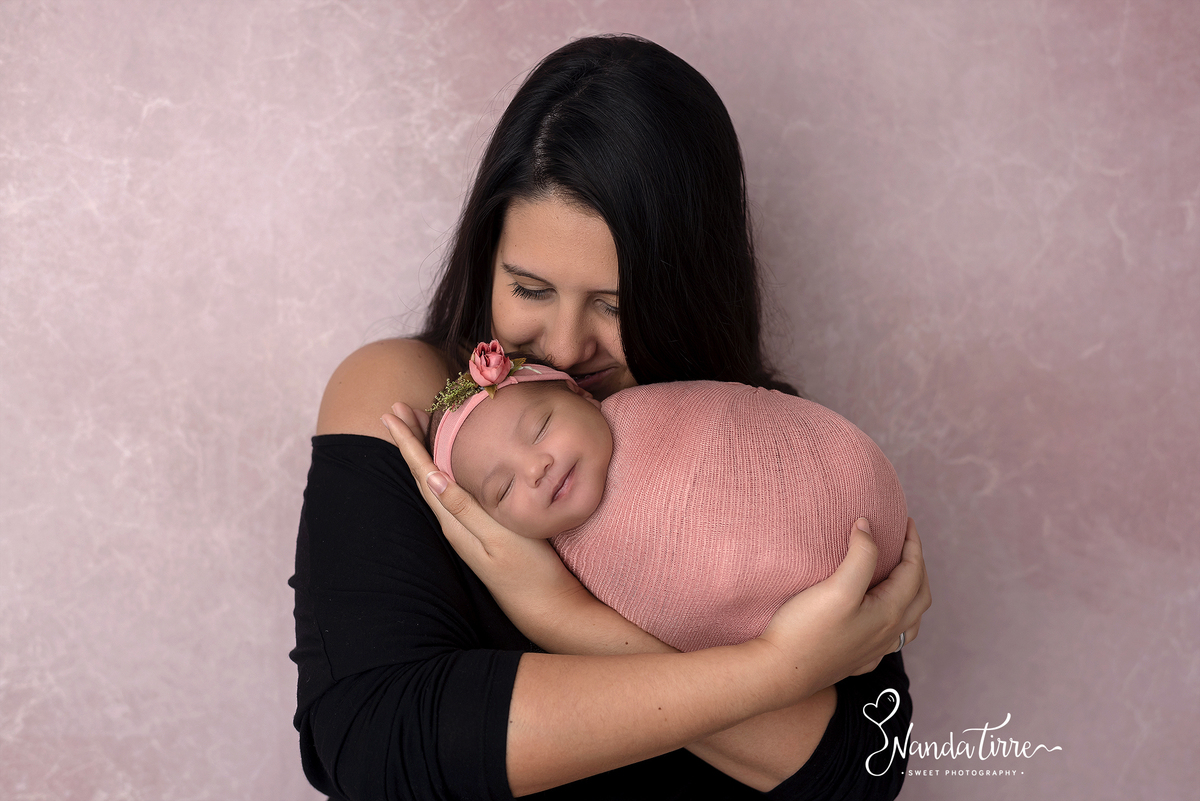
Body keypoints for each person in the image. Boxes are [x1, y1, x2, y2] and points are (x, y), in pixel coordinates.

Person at [292, 34, 930, 800]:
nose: (564, 344)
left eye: (615, 304)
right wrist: (777, 671)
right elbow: (371, 742)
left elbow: (864, 767)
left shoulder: (762, 449)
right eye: (529, 288)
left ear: (692, 289)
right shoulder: (412, 401)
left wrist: (568, 618)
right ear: (485, 256)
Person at [417, 342, 908, 656]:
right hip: (793, 646)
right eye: (503, 490)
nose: (534, 468)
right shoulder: (565, 572)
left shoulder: (654, 409)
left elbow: (741, 419)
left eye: (541, 426)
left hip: (858, 519)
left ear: (583, 396)